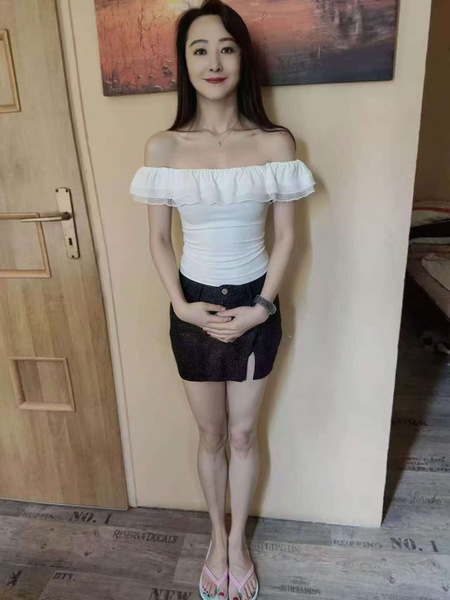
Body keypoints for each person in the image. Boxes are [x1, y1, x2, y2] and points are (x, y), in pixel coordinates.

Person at [130, 1, 316, 599]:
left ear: (243, 59)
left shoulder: (275, 143)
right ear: (185, 64)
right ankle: (216, 537)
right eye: (200, 49)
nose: (214, 61)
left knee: (242, 435)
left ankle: (238, 545)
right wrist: (182, 306)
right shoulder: (163, 148)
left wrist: (262, 307)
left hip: (258, 305)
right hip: (192, 308)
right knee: (210, 436)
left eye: (227, 48)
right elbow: (159, 241)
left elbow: (287, 239)